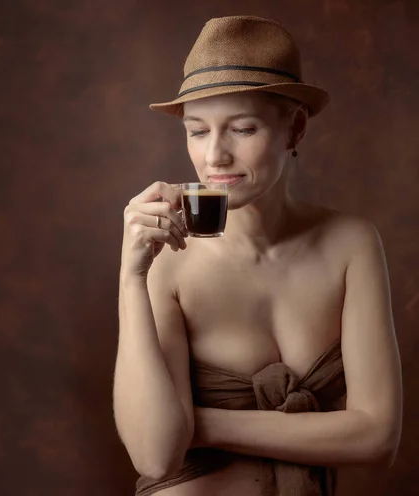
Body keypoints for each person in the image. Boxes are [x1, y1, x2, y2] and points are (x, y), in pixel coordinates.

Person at [113, 15, 402, 496]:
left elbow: (377, 438)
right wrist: (131, 277)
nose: (215, 157)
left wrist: (196, 424)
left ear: (296, 128)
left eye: (242, 129)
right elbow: (156, 455)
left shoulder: (351, 243)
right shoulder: (167, 259)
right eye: (197, 131)